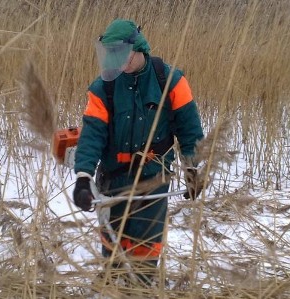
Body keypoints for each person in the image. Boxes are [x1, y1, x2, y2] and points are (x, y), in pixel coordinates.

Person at [71, 19, 204, 286]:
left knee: (147, 238)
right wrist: (83, 176)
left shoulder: (171, 81)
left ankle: (142, 283)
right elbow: (92, 134)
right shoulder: (103, 88)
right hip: (113, 178)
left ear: (139, 47)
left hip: (154, 176)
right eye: (112, 55)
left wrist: (192, 169)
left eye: (123, 54)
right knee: (112, 237)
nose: (118, 62)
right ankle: (112, 279)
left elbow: (190, 131)